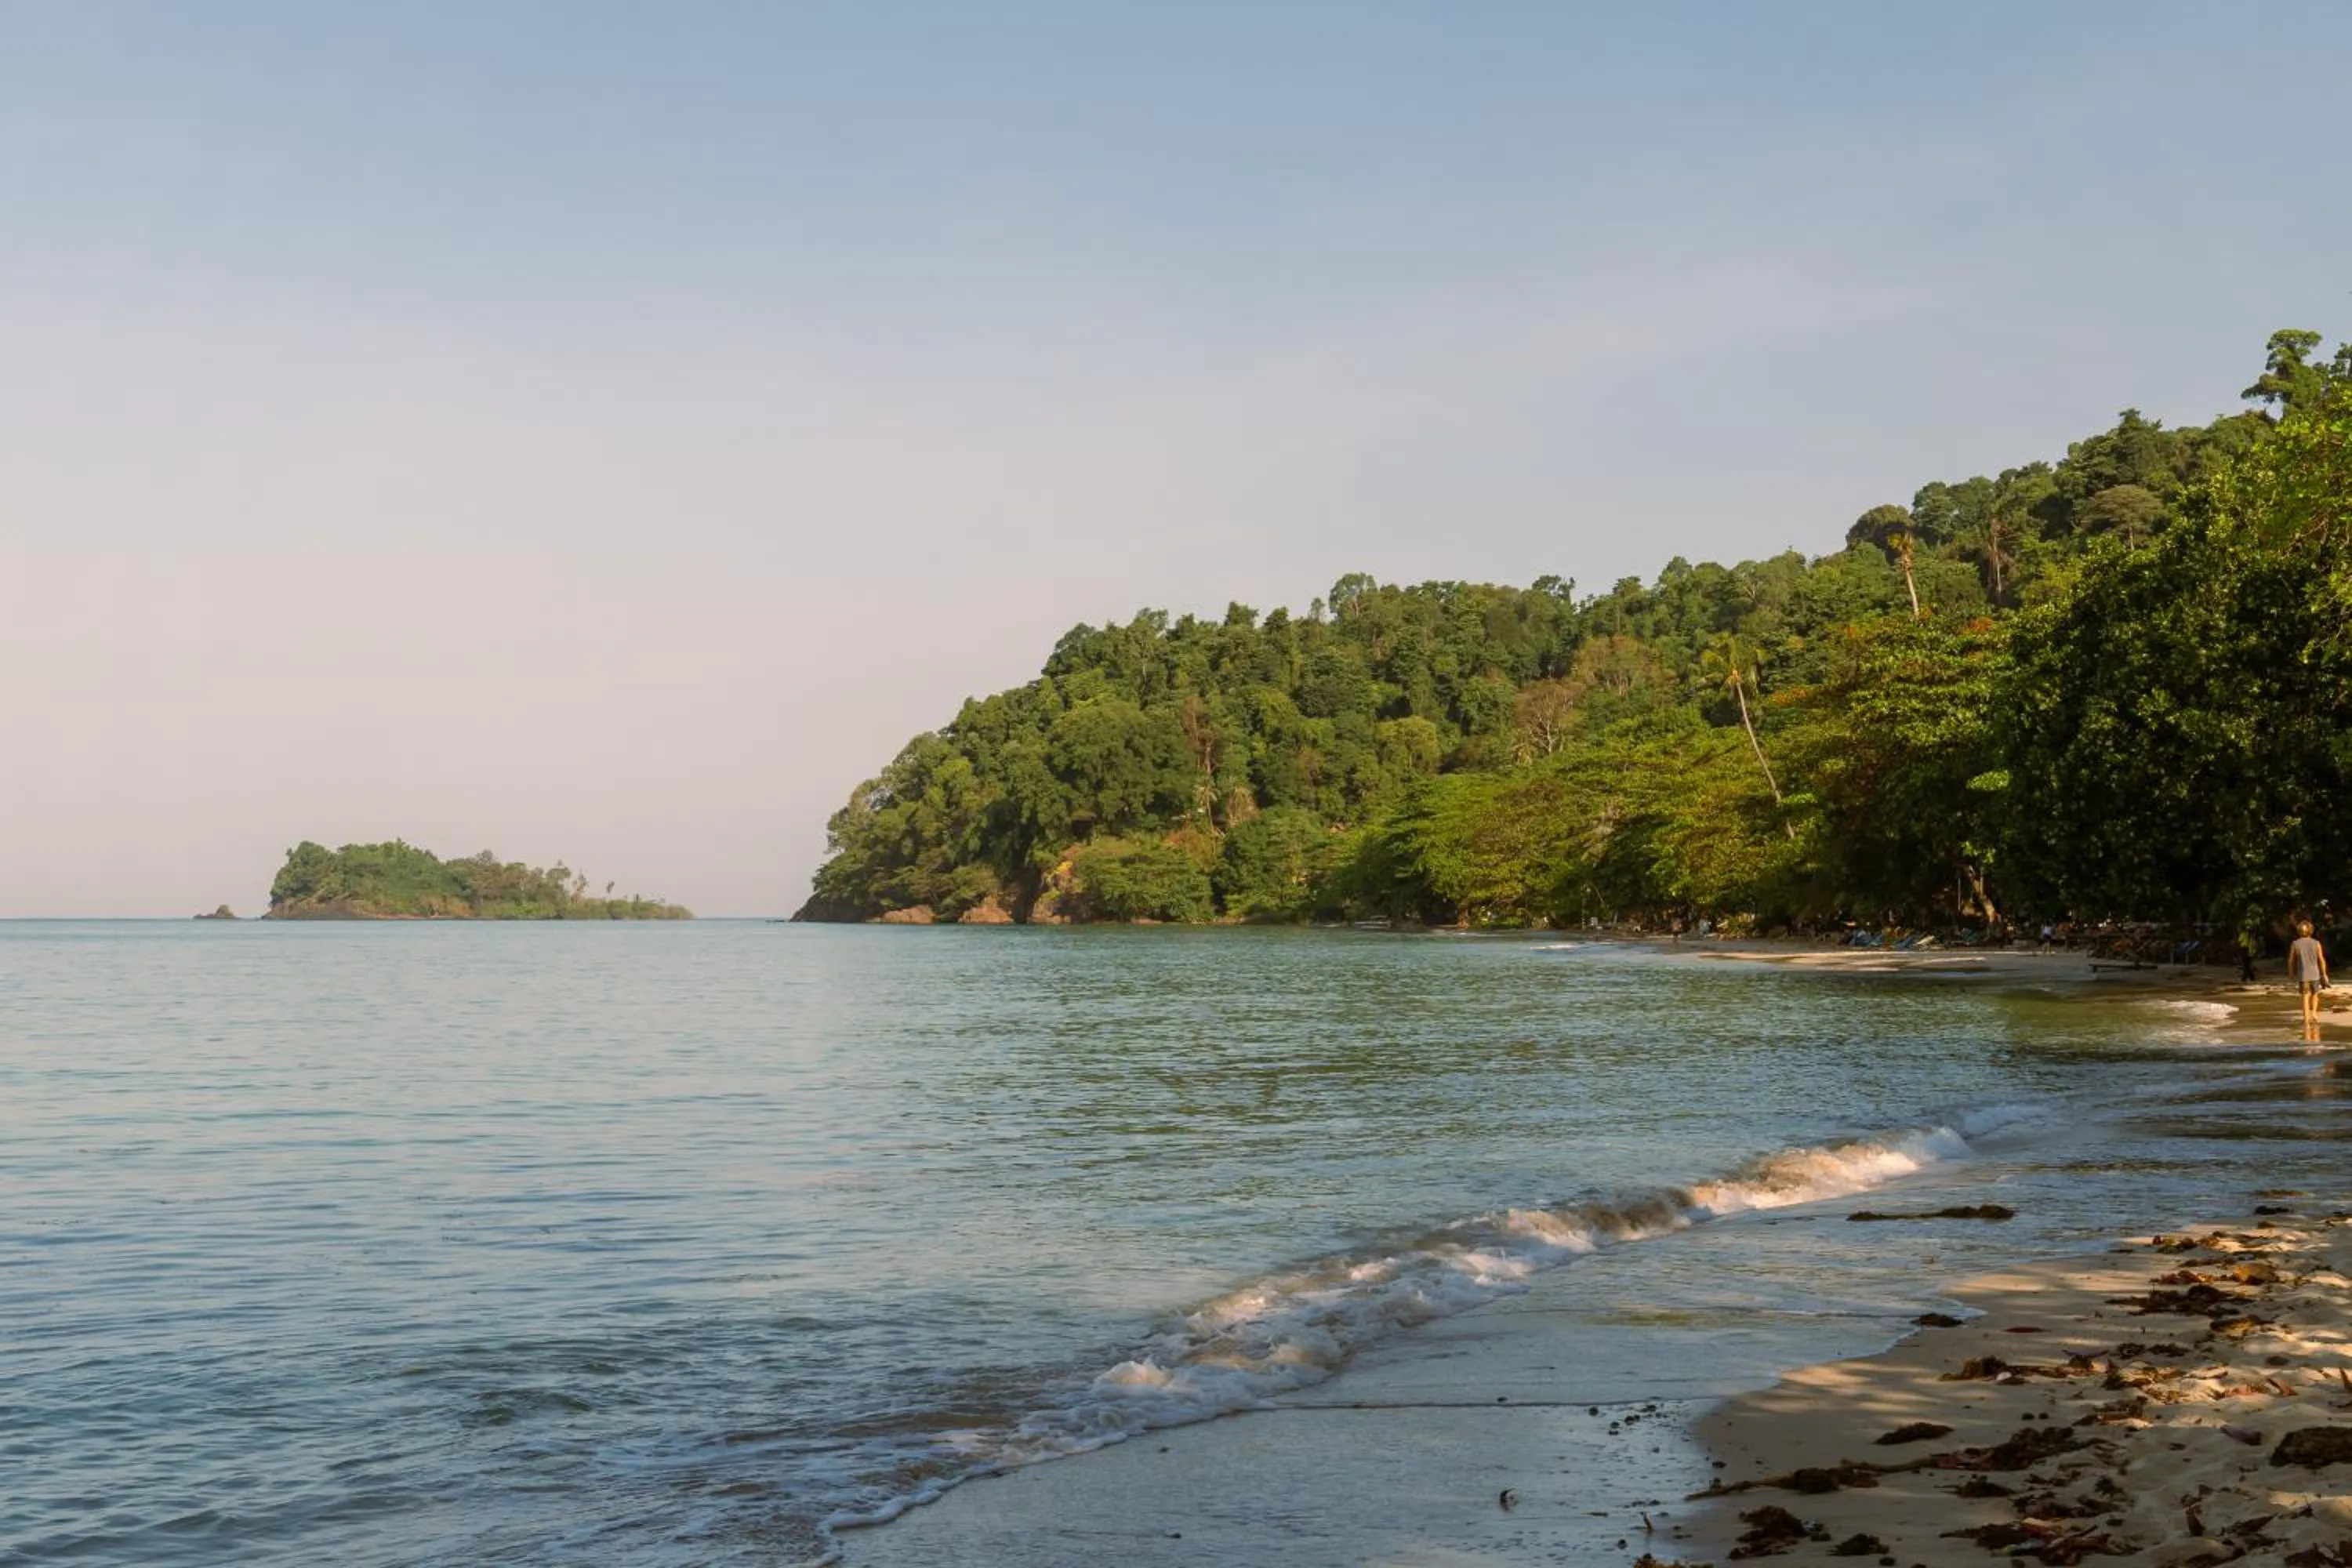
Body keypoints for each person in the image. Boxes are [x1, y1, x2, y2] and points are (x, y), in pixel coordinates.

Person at [2288, 920, 2329, 1040]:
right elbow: (2321, 960)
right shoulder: (2316, 943)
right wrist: (2324, 974)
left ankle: (2306, 1021)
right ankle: (2314, 1013)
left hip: (2303, 975)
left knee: (2305, 998)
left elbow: (2291, 960)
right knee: (2315, 995)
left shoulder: (2295, 944)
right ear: (2310, 931)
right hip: (2315, 974)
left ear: (2299, 931)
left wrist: (2290, 973)